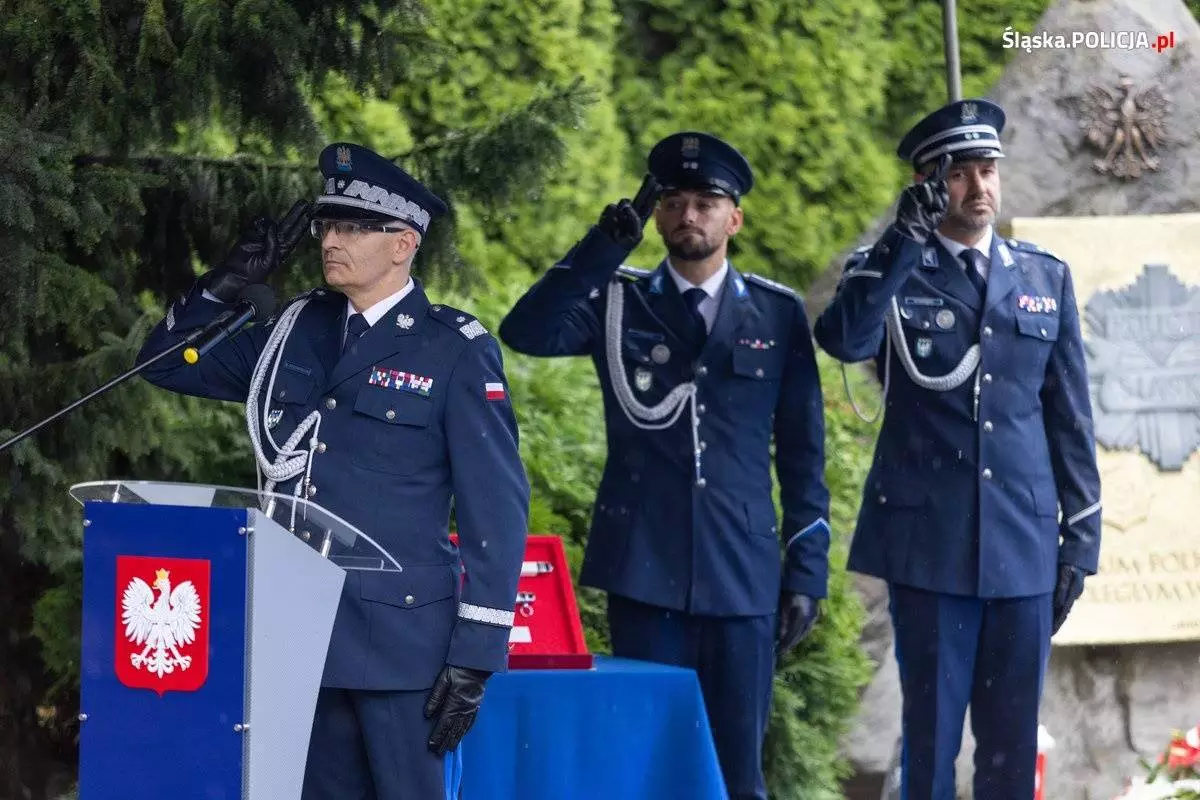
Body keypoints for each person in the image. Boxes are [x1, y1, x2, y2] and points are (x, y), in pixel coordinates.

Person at [137, 143, 530, 799]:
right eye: (328, 224)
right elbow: (165, 364)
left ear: (403, 243)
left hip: (403, 646)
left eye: (352, 226)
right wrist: (223, 285)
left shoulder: (452, 349)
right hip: (300, 635)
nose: (331, 240)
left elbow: (497, 507)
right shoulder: (296, 329)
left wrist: (477, 653)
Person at [498, 131, 830, 800]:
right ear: (655, 216)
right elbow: (525, 332)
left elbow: (802, 453)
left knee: (739, 773)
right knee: (647, 770)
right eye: (673, 202)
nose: (689, 215)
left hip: (743, 573)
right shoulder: (616, 298)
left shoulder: (776, 312)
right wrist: (601, 249)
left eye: (707, 202)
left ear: (734, 217)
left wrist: (807, 570)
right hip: (645, 569)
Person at [812, 99, 1101, 799]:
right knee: (932, 736)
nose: (979, 188)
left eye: (988, 170)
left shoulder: (1042, 277)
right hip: (929, 542)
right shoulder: (888, 267)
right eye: (961, 174)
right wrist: (899, 244)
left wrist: (1080, 539)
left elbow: (1069, 418)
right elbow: (844, 341)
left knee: (1012, 738)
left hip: (1024, 542)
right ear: (928, 183)